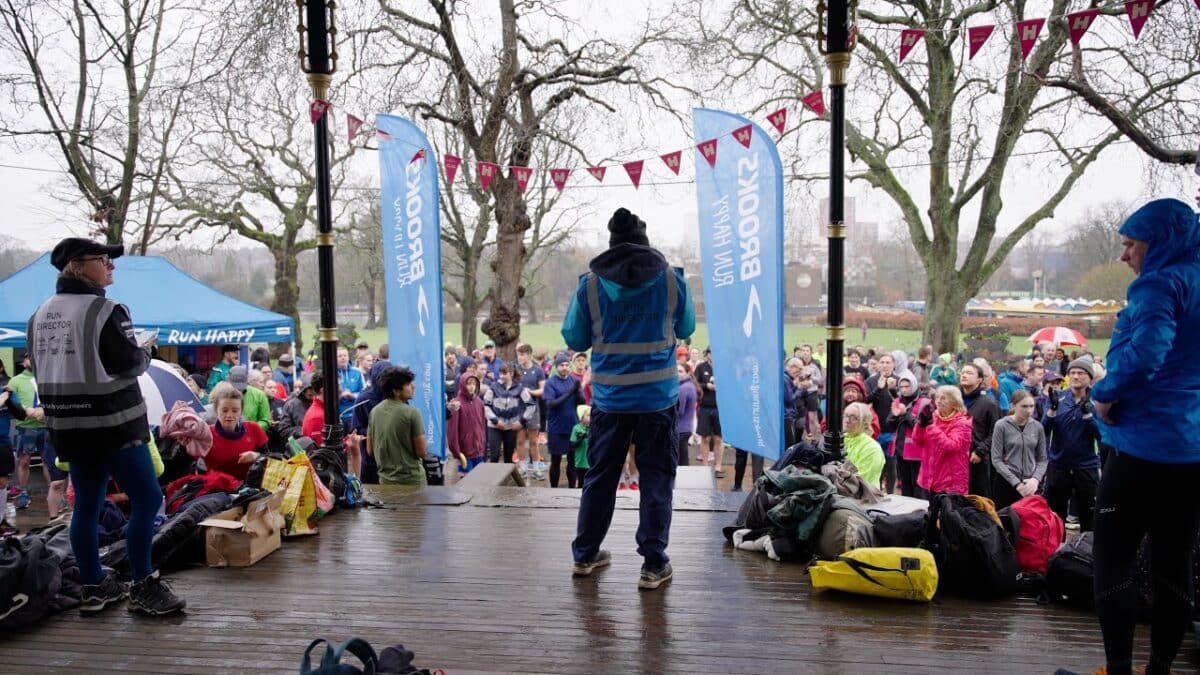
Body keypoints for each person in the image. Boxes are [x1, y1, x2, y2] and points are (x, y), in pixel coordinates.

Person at [27, 237, 184, 615]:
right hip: (115, 426)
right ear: (81, 266)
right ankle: (144, 584)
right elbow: (128, 364)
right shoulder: (106, 310)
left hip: (69, 429)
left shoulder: (38, 316)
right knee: (148, 499)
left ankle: (95, 586)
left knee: (87, 504)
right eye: (104, 260)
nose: (111, 266)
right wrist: (145, 350)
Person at [1085, 198, 1200, 675]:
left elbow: (1149, 350)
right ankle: (1160, 668)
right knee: (1175, 565)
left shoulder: (1159, 283)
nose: (1123, 255)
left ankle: (1119, 669)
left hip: (1141, 450)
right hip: (1190, 452)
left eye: (1130, 244)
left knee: (1113, 560)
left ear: (1158, 243)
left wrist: (1106, 392)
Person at [562, 207, 695, 590]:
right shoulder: (671, 281)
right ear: (644, 241)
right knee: (656, 480)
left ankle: (585, 555)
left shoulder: (590, 285)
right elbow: (685, 327)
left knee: (600, 478)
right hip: (657, 400)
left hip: (610, 401)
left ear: (612, 244)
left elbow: (575, 339)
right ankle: (654, 564)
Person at [1042, 357, 1101, 532]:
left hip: (1086, 465)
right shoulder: (1057, 397)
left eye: (1081, 373)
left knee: (1088, 513)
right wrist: (1052, 411)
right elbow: (1043, 428)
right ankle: (1055, 553)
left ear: (1089, 377)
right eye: (1072, 373)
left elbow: (1102, 435)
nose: (1076, 376)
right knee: (1055, 513)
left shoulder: (1097, 401)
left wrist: (1088, 416)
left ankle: (1085, 553)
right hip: (1059, 464)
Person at [8, 351, 67, 517]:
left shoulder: (47, 378)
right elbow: (12, 402)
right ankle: (23, 492)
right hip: (26, 427)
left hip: (47, 426)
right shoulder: (16, 381)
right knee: (24, 460)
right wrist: (27, 411)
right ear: (24, 361)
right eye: (28, 357)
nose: (32, 360)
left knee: (48, 461)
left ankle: (54, 494)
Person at [366, 367, 427, 486]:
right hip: (412, 480)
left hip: (385, 480)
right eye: (408, 384)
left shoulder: (375, 411)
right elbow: (422, 452)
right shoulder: (412, 413)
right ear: (396, 391)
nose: (413, 387)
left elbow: (370, 451)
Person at [989, 390, 1047, 510]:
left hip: (1030, 482)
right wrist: (1016, 483)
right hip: (1006, 482)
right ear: (1013, 406)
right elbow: (996, 459)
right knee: (1005, 521)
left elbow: (1043, 459)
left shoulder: (1037, 427)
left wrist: (1035, 479)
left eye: (1032, 406)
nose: (1029, 410)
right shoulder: (1001, 425)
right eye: (1024, 406)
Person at [913, 385, 974, 496]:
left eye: (943, 398)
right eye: (937, 397)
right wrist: (920, 425)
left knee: (945, 513)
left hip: (949, 484)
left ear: (955, 402)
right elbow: (917, 440)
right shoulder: (933, 417)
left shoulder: (962, 423)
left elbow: (951, 446)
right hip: (927, 480)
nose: (938, 401)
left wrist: (931, 427)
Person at [205, 383, 267, 481]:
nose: (229, 415)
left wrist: (256, 456)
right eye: (224, 411)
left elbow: (270, 458)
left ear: (241, 411)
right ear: (216, 411)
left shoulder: (253, 428)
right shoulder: (206, 434)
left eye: (235, 411)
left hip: (249, 489)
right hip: (217, 490)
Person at [884, 371, 930, 497]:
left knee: (918, 487)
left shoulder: (925, 403)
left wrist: (905, 414)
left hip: (917, 453)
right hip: (900, 451)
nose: (904, 390)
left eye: (907, 386)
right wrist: (894, 416)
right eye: (901, 387)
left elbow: (922, 427)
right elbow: (889, 425)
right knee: (905, 485)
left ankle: (919, 514)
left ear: (914, 386)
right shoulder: (898, 401)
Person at [959, 362, 999, 498]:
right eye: (963, 372)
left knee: (977, 499)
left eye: (969, 373)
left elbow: (996, 432)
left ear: (979, 380)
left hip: (976, 459)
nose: (964, 375)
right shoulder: (955, 401)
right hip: (955, 458)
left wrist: (980, 451)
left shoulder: (988, 404)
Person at [350, 360, 393, 484]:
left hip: (393, 461)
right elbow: (355, 429)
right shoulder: (363, 399)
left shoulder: (397, 397)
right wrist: (375, 433)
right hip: (370, 460)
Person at [483, 364, 534, 465]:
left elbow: (531, 406)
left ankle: (507, 479)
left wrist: (521, 421)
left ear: (511, 374)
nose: (501, 376)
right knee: (494, 456)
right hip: (494, 426)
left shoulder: (520, 388)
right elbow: (486, 405)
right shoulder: (493, 387)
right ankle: (494, 480)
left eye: (504, 373)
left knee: (508, 457)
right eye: (500, 373)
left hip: (511, 427)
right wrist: (496, 421)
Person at [0, 384, 29, 535]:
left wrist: (9, 399)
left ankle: (1, 521)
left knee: (2, 483)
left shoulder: (5, 391)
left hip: (2, 442)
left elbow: (21, 415)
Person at [515, 344, 547, 473]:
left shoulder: (538, 370)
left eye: (522, 355)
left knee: (534, 441)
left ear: (528, 355)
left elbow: (542, 390)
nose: (519, 357)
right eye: (518, 354)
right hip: (518, 410)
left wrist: (530, 392)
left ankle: (536, 468)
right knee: (520, 440)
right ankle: (522, 468)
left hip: (533, 410)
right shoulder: (515, 369)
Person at [446, 373, 487, 474]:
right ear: (463, 385)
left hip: (479, 452)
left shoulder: (479, 402)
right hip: (465, 452)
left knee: (479, 480)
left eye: (473, 383)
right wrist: (457, 451)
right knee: (466, 482)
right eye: (468, 384)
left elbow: (482, 426)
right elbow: (452, 431)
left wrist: (483, 444)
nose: (472, 386)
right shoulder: (457, 403)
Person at [694, 348, 723, 474]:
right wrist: (707, 386)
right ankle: (705, 466)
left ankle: (718, 466)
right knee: (704, 438)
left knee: (718, 439)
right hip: (704, 407)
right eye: (711, 353)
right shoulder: (701, 367)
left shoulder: (723, 367)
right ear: (707, 354)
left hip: (720, 408)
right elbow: (694, 383)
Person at [843, 402, 885, 486]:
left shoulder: (872, 448)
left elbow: (861, 481)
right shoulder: (840, 439)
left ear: (864, 423)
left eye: (853, 417)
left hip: (864, 496)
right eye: (846, 416)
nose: (847, 421)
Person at [228, 365, 271, 435]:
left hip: (252, 438)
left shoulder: (259, 395)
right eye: (235, 385)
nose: (239, 389)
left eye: (241, 385)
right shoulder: (222, 394)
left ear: (247, 380)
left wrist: (249, 429)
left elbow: (265, 420)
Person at [675, 363, 697, 467]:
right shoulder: (689, 385)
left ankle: (682, 482)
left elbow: (679, 411)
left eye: (680, 371)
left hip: (681, 428)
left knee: (681, 460)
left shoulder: (683, 388)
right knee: (682, 457)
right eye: (676, 371)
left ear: (688, 373)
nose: (677, 374)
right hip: (686, 427)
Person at [335, 347, 365, 424]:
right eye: (340, 356)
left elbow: (364, 393)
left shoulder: (357, 372)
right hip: (338, 416)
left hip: (354, 415)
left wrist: (352, 395)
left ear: (348, 357)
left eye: (345, 355)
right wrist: (340, 395)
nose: (343, 358)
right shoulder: (331, 374)